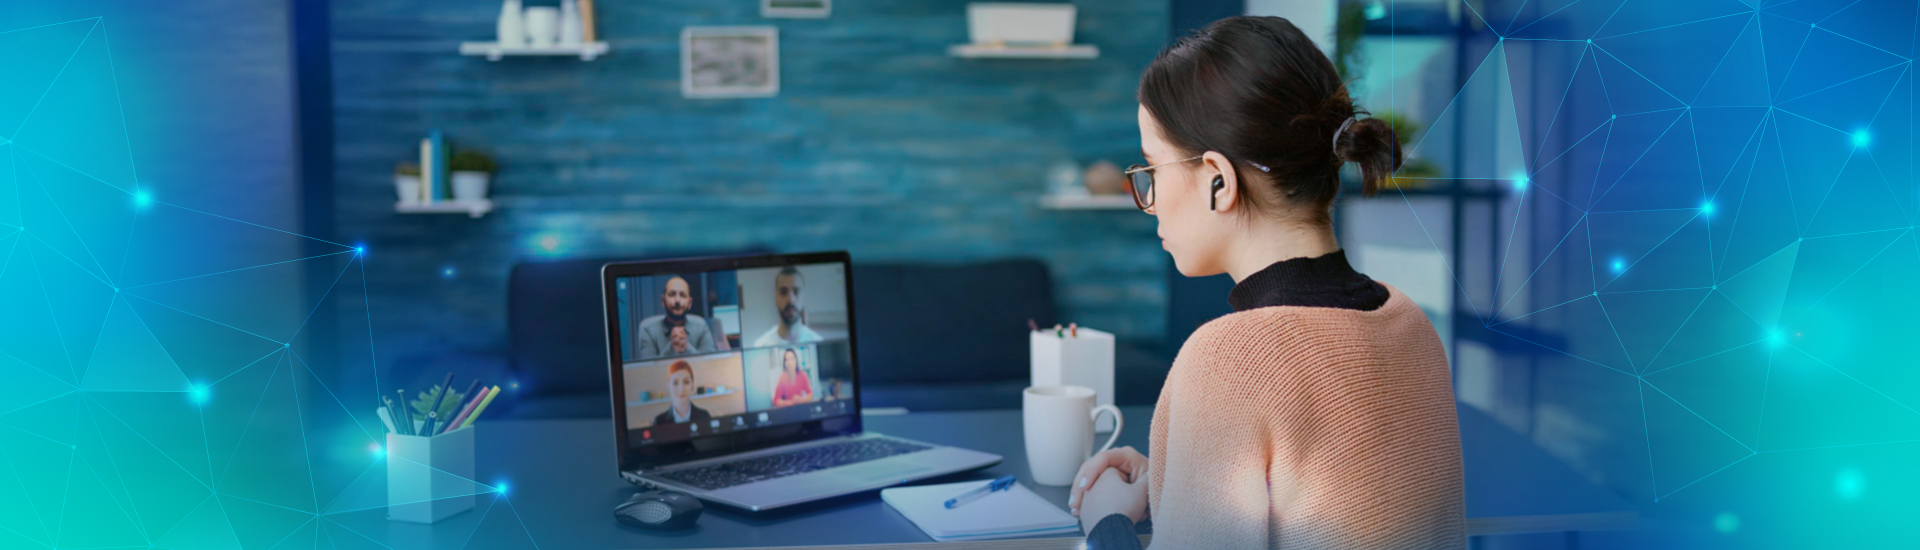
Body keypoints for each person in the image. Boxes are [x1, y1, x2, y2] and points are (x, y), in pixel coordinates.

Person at [1067, 16, 1463, 550]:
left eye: (1153, 170)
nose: (1151, 200)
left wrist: (1106, 521)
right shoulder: (1410, 321)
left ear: (1217, 180)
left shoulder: (1229, 359)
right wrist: (1175, 480)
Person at [636, 275, 715, 358]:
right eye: (672, 294)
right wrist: (672, 347)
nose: (677, 300)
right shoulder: (648, 329)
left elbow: (708, 364)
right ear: (663, 301)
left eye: (682, 295)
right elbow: (648, 369)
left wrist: (686, 347)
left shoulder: (701, 326)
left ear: (689, 303)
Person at [751, 266, 823, 347]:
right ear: (776, 298)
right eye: (783, 292)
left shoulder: (819, 343)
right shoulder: (760, 345)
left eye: (796, 291)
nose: (790, 299)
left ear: (804, 297)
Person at [652, 360, 711, 426]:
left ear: (692, 384)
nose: (681, 389)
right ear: (669, 386)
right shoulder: (659, 422)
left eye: (686, 382)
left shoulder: (704, 416)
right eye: (675, 383)